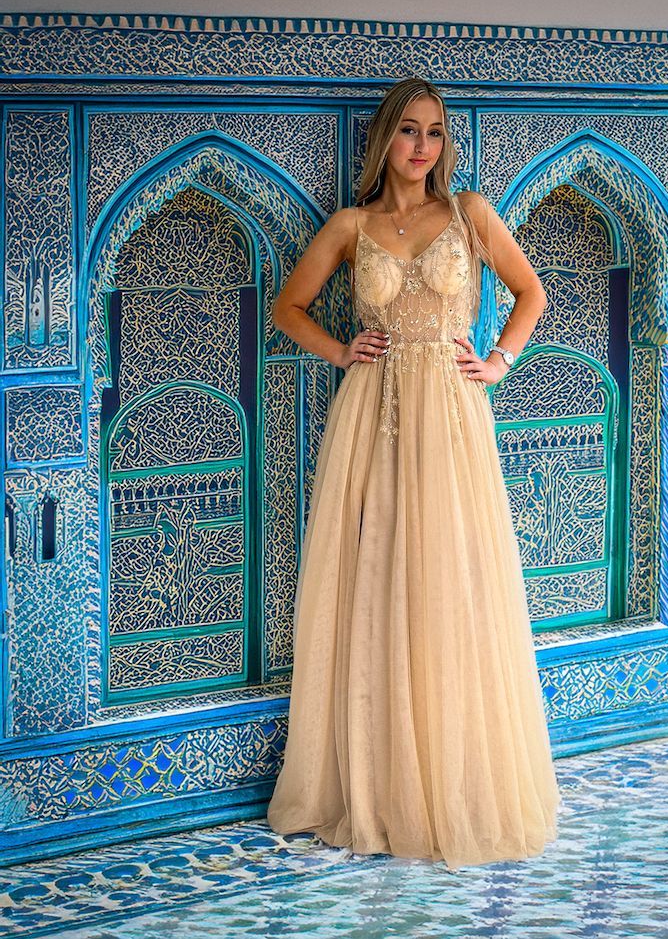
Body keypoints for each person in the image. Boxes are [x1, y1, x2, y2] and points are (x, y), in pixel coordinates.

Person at [266, 76, 562, 871]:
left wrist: (499, 361)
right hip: (373, 414)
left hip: (453, 416)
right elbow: (287, 307)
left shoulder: (469, 214)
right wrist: (339, 350)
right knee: (375, 579)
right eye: (408, 131)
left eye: (433, 132)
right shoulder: (351, 225)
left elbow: (532, 292)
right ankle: (381, 780)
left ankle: (452, 782)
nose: (422, 147)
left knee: (449, 583)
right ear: (385, 140)